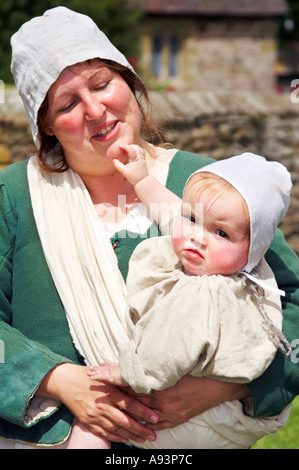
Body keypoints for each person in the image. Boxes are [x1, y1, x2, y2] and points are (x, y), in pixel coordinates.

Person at [0, 6, 298, 449]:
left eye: (103, 84)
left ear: (129, 81)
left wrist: (231, 386)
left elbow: (292, 304)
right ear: (45, 124)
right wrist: (56, 380)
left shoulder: (211, 185)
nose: (95, 109)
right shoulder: (13, 197)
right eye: (67, 104)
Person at [67, 149, 292, 449]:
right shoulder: (230, 262)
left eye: (221, 233)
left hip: (199, 419)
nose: (197, 236)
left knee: (89, 430)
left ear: (254, 248)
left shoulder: (205, 292)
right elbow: (171, 212)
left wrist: (131, 372)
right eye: (193, 218)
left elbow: (170, 348)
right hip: (229, 413)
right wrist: (142, 179)